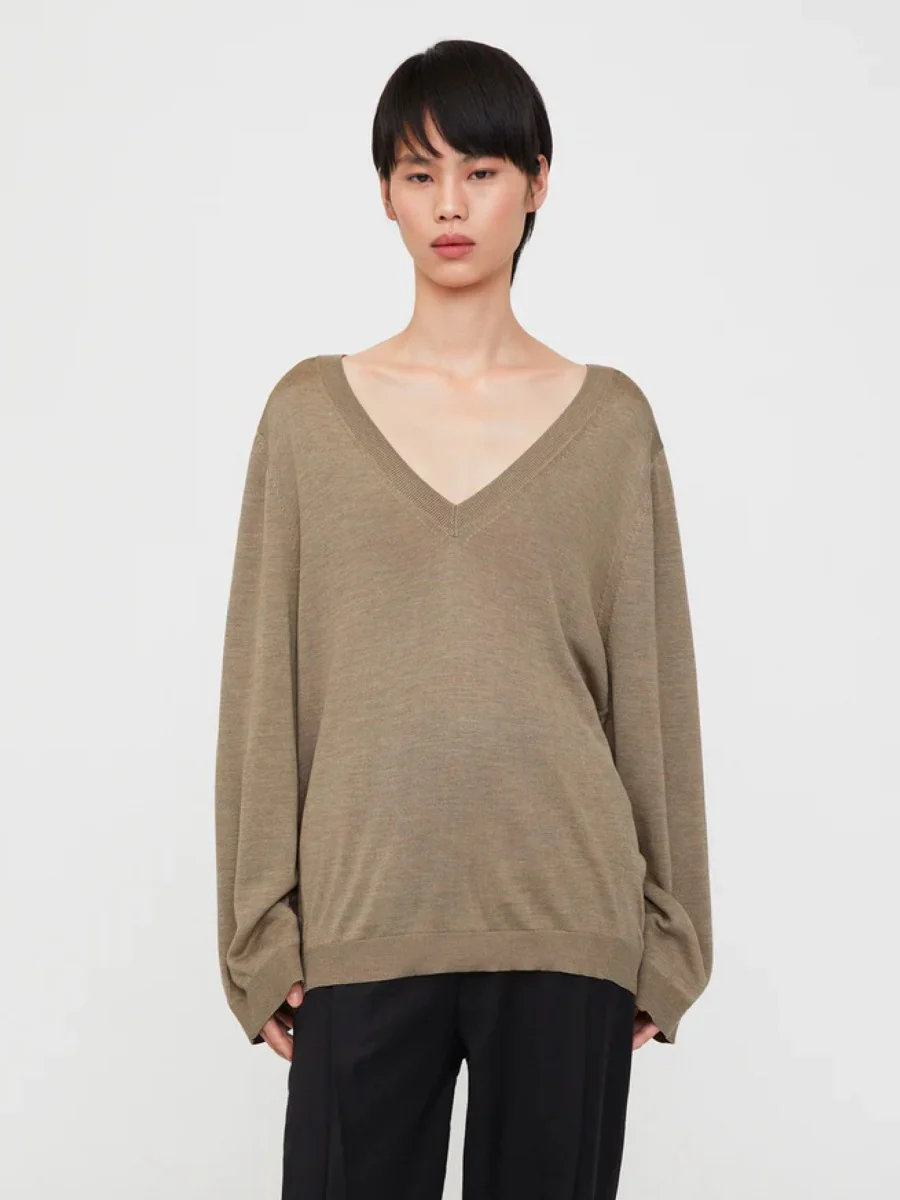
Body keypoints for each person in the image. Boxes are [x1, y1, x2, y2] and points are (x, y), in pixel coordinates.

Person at [214, 37, 713, 1200]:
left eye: (480, 171)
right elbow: (263, 687)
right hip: (361, 920)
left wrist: (669, 935)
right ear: (385, 194)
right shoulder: (308, 418)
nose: (449, 204)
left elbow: (654, 686)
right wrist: (260, 934)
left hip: (567, 919)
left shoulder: (611, 424)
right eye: (418, 172)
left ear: (537, 184)